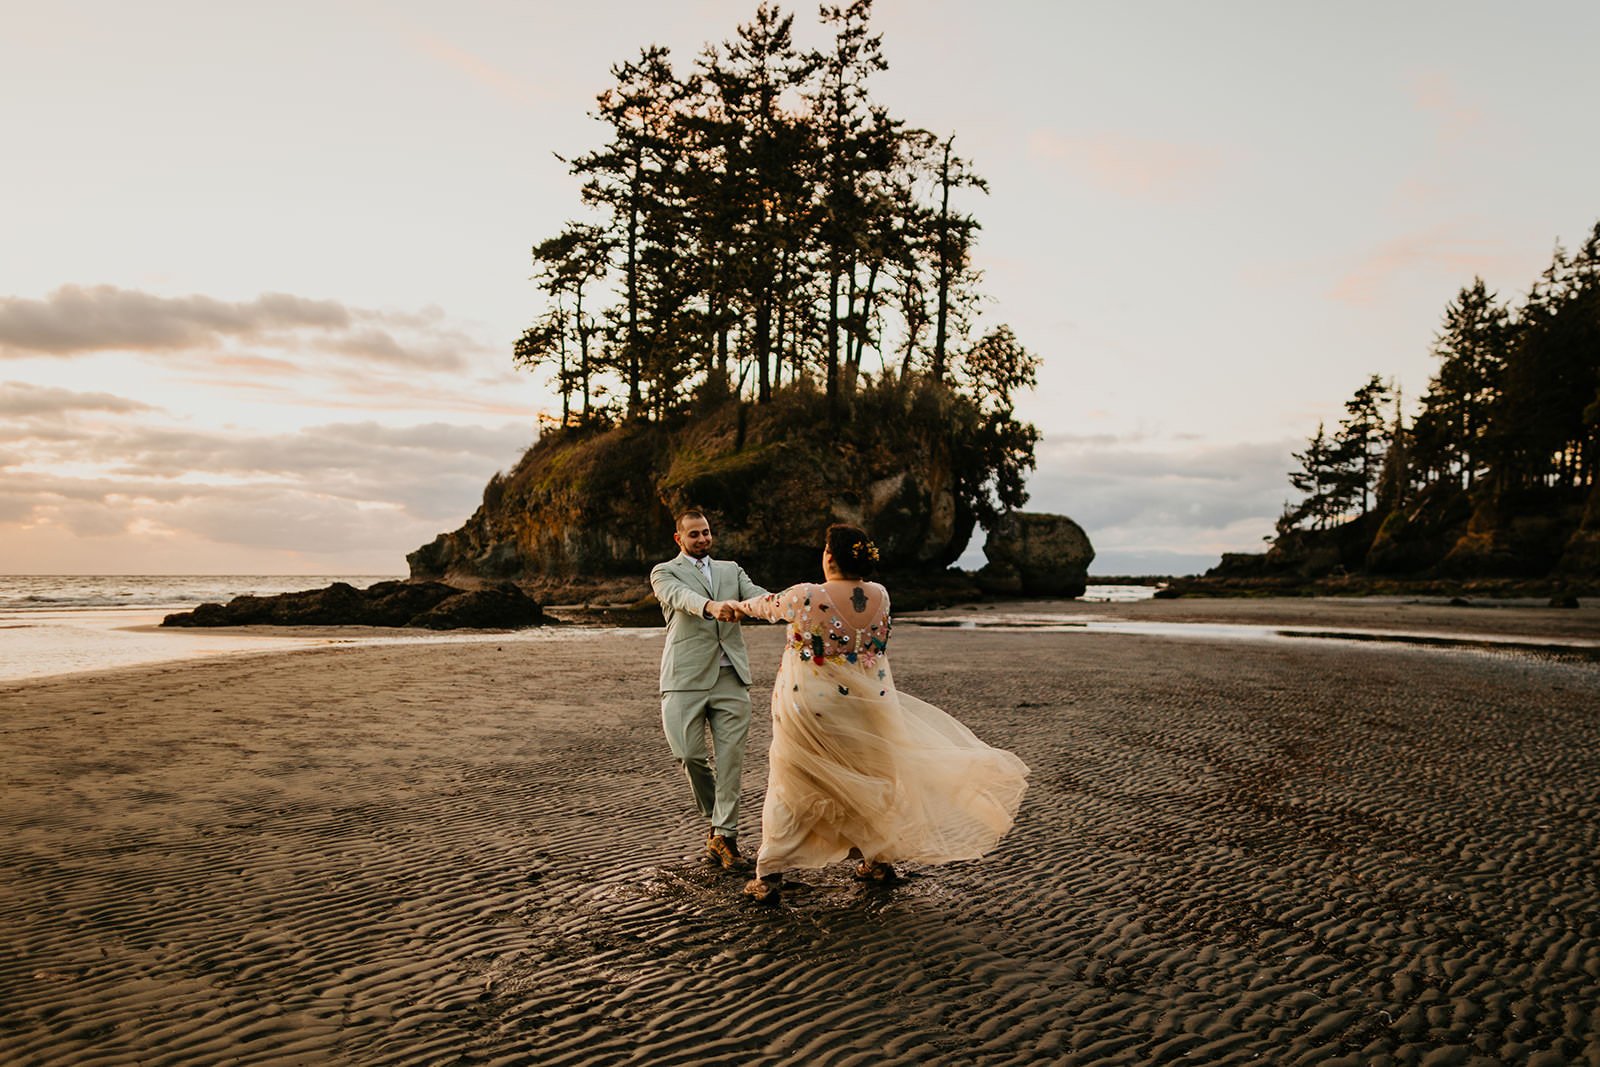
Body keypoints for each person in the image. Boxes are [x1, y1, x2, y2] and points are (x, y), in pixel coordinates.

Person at [734, 524, 1029, 903]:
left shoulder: (807, 595)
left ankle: (770, 872)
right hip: (868, 705)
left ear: (829, 556)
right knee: (869, 777)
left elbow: (764, 605)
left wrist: (734, 607)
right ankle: (878, 858)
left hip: (812, 708)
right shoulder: (881, 595)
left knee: (794, 781)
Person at [650, 507, 769, 872]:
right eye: (694, 534)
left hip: (731, 677)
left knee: (731, 760)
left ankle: (724, 836)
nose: (702, 539)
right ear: (679, 539)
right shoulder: (664, 572)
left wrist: (790, 604)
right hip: (684, 678)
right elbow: (679, 597)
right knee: (688, 754)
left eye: (706, 532)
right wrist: (711, 606)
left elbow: (757, 597)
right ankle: (717, 819)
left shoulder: (731, 570)